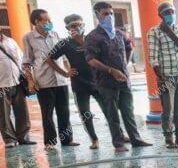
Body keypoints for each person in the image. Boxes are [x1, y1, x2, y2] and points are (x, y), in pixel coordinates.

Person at [47, 14, 125, 150]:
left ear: (84, 24)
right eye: (73, 26)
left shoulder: (91, 39)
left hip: (98, 82)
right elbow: (49, 58)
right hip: (79, 84)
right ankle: (94, 139)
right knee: (85, 113)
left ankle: (120, 135)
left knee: (109, 110)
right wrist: (65, 72)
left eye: (79, 24)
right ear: (67, 28)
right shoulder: (64, 43)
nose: (77, 27)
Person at [85, 1, 151, 152]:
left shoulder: (120, 34)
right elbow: (91, 59)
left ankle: (136, 139)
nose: (109, 16)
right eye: (105, 14)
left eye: (111, 13)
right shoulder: (93, 37)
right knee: (112, 113)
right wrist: (111, 70)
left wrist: (125, 64)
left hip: (124, 80)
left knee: (128, 110)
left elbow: (130, 47)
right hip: (106, 81)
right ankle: (118, 143)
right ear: (97, 15)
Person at [23, 9, 79, 151]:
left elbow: (64, 57)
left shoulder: (55, 35)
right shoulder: (29, 38)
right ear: (37, 22)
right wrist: (30, 80)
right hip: (44, 81)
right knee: (47, 113)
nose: (49, 23)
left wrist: (69, 72)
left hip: (61, 80)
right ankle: (50, 142)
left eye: (50, 20)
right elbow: (27, 62)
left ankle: (67, 139)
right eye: (46, 21)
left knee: (64, 111)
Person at [148, 2, 178, 149]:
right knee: (168, 109)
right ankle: (169, 138)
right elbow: (153, 57)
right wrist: (160, 77)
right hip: (166, 75)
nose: (170, 15)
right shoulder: (154, 31)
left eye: (172, 11)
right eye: (167, 12)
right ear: (161, 15)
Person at [0, 31, 34, 147]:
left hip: (18, 81)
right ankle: (9, 140)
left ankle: (23, 137)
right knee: (3, 114)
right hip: (1, 85)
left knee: (22, 111)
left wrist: (28, 77)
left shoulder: (10, 41)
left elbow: (21, 59)